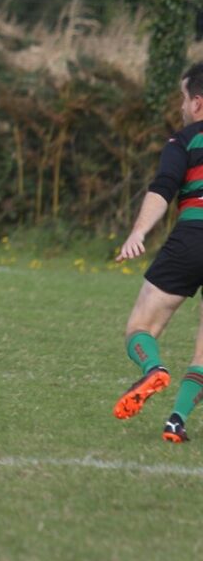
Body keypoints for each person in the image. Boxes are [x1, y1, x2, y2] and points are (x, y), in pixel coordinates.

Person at [111, 62, 203, 443]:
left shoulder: (184, 140)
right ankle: (176, 421)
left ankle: (153, 369)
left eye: (183, 98)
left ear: (198, 103)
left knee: (140, 327)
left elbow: (164, 186)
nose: (181, 107)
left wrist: (138, 231)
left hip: (193, 237)